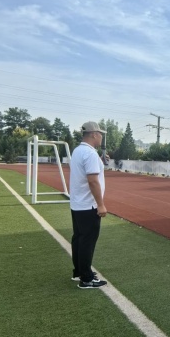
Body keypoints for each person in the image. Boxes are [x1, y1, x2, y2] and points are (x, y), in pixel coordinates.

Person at [70, 121, 108, 289]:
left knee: (79, 239)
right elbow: (93, 181)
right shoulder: (90, 154)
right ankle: (86, 279)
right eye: (100, 134)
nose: (101, 137)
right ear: (94, 134)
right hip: (89, 205)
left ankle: (79, 271)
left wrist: (100, 160)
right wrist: (100, 204)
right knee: (87, 241)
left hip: (77, 204)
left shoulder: (78, 150)